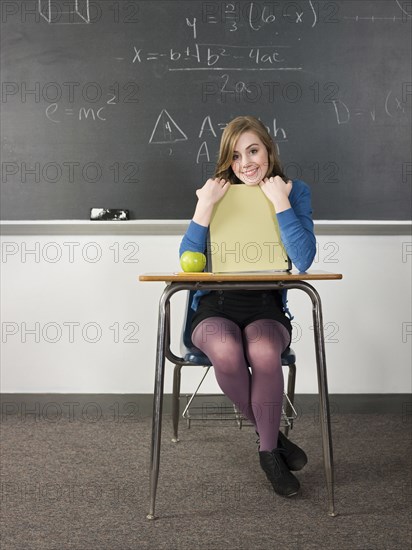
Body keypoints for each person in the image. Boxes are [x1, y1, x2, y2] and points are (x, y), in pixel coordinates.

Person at [179, 115, 316, 497]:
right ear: (228, 162)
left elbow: (303, 259)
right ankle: (271, 440)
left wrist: (280, 202)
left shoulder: (293, 190)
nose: (247, 163)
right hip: (215, 306)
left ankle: (267, 451)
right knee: (225, 351)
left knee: (265, 353)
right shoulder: (218, 192)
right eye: (236, 156)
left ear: (269, 151)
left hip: (266, 306)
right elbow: (188, 259)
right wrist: (205, 206)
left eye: (253, 150)